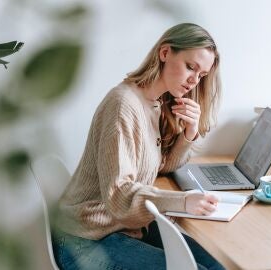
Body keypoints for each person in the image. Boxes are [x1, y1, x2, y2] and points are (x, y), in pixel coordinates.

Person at [53, 23, 225, 270]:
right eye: (191, 67)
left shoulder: (153, 103)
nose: (193, 81)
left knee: (217, 267)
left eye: (201, 75)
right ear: (165, 53)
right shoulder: (123, 104)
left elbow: (162, 167)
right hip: (84, 240)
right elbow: (119, 195)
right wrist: (184, 201)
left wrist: (189, 133)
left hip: (122, 228)